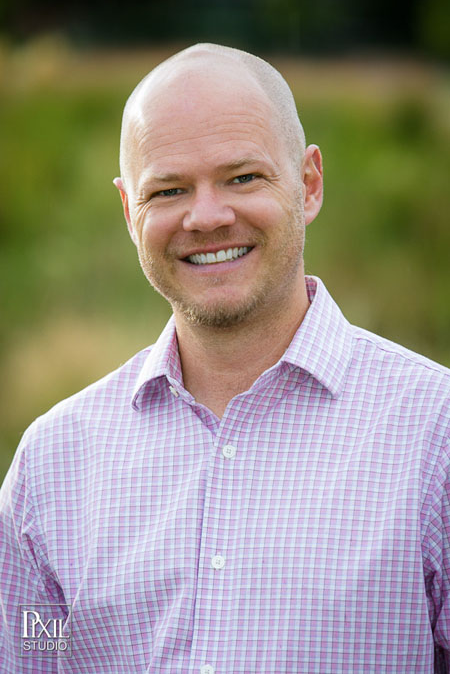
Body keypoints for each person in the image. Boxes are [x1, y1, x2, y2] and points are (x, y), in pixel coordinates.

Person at [0, 42, 449, 673]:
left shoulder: (437, 436)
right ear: (130, 211)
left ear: (309, 184)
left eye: (242, 177)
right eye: (169, 189)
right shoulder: (51, 469)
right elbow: (32, 660)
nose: (206, 217)